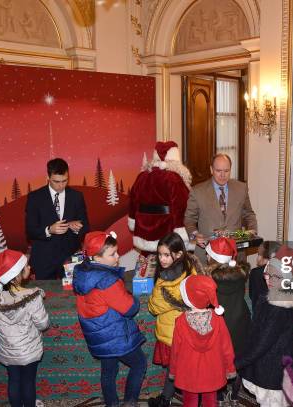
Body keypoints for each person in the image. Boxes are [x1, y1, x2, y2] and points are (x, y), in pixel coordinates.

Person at [73, 231, 147, 407]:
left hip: (99, 336)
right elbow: (129, 308)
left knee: (108, 371)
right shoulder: (107, 280)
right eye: (112, 254)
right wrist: (132, 297)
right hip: (114, 335)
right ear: (97, 258)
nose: (118, 256)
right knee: (139, 363)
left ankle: (111, 404)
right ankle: (130, 402)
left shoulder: (83, 272)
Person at [235, 257, 293, 407]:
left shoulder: (276, 305)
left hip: (271, 366)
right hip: (285, 359)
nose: (268, 279)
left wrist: (239, 362)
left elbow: (262, 341)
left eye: (275, 276)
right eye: (266, 274)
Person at [0, 249, 50, 407]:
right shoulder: (32, 297)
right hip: (28, 349)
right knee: (28, 381)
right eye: (26, 266)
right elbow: (43, 324)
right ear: (16, 275)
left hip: (7, 348)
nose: (30, 267)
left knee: (13, 379)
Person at [147, 232, 203, 407]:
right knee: (178, 370)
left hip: (173, 333)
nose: (162, 259)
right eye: (160, 254)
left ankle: (189, 401)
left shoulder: (166, 282)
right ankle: (166, 399)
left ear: (178, 254)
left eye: (166, 255)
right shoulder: (191, 270)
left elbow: (153, 307)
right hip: (189, 330)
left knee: (180, 372)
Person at [169, 275, 236, 407]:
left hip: (188, 372)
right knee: (211, 402)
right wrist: (230, 368)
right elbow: (227, 348)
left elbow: (175, 350)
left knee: (189, 402)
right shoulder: (218, 320)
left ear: (188, 298)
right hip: (212, 371)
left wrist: (173, 370)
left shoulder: (181, 321)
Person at [184, 154, 257, 263]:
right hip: (207, 253)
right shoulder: (197, 191)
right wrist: (195, 235)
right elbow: (189, 219)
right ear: (211, 169)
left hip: (235, 253)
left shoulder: (241, 188)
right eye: (218, 170)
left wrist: (252, 229)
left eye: (226, 171)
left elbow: (249, 214)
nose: (223, 175)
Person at [26, 158, 89, 279]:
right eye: (56, 181)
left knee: (72, 296)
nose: (61, 185)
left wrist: (76, 228)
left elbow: (86, 227)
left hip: (70, 258)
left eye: (65, 181)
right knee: (45, 295)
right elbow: (30, 231)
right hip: (43, 259)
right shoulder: (35, 198)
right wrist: (49, 230)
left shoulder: (76, 196)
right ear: (48, 177)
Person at [205, 237, 251, 403]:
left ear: (212, 258)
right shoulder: (240, 275)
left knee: (217, 360)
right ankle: (235, 391)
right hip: (239, 319)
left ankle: (218, 393)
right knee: (236, 355)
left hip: (219, 323)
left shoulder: (209, 280)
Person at [128, 141, 193, 253]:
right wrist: (181, 229)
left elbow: (133, 201)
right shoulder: (174, 178)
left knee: (149, 261)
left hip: (143, 230)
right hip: (166, 230)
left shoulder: (142, 176)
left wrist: (133, 221)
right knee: (168, 262)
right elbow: (180, 205)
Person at [248, 241, 281, 310]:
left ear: (262, 256)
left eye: (259, 254)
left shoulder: (255, 273)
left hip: (261, 312)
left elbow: (251, 295)